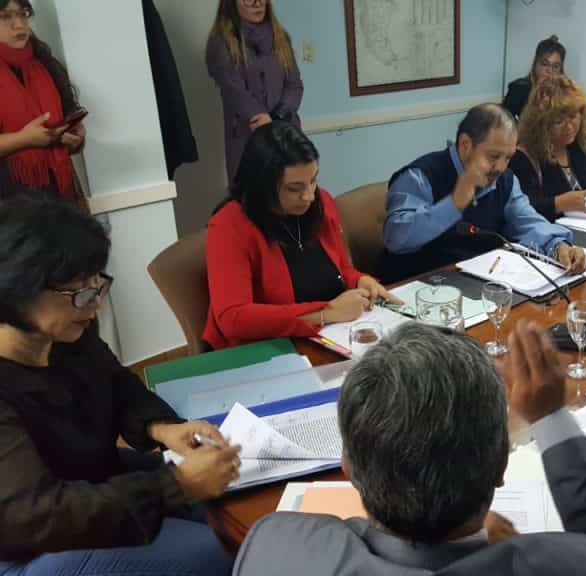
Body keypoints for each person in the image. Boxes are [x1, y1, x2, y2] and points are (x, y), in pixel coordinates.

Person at [232, 321, 586, 575]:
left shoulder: (273, 543)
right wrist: (550, 415)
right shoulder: (562, 565)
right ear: (501, 464)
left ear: (348, 468)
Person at [0, 196, 239, 575]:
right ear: (18, 291)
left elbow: (116, 383)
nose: (94, 304)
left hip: (92, 484)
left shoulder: (67, 334)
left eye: (96, 284)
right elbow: (35, 514)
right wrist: (176, 485)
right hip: (38, 545)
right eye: (78, 292)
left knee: (229, 503)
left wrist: (162, 428)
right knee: (223, 547)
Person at [204, 122, 396, 350]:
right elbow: (233, 318)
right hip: (268, 347)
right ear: (262, 185)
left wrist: (359, 280)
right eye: (294, 188)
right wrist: (325, 314)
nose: (309, 196)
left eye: (313, 180)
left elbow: (340, 268)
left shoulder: (321, 203)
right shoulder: (229, 225)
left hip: (330, 335)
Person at [383, 103, 586, 282]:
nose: (501, 167)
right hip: (421, 288)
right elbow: (396, 239)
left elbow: (527, 221)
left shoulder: (505, 180)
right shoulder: (419, 176)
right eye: (494, 156)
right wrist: (453, 204)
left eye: (508, 158)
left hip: (480, 281)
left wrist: (558, 246)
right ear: (466, 145)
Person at [510, 76, 586, 221]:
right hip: (556, 231)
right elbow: (521, 210)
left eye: (573, 116)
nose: (569, 127)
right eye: (559, 121)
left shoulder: (585, 140)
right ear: (541, 125)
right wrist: (558, 204)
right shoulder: (523, 157)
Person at [0, 0, 85, 203]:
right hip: (9, 203)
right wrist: (23, 139)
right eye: (5, 16)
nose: (19, 24)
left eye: (23, 14)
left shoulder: (44, 63)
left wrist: (75, 137)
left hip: (59, 196)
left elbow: (67, 120)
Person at [207, 0, 303, 182]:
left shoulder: (281, 37)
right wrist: (262, 118)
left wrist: (277, 117)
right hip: (247, 136)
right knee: (252, 193)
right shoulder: (221, 43)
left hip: (286, 131)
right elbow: (234, 90)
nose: (257, 3)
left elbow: (294, 85)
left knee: (292, 191)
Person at [502, 35, 566, 119]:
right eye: (544, 64)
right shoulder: (518, 88)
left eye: (556, 66)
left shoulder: (566, 93)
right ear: (535, 64)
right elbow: (503, 123)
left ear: (561, 69)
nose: (550, 70)